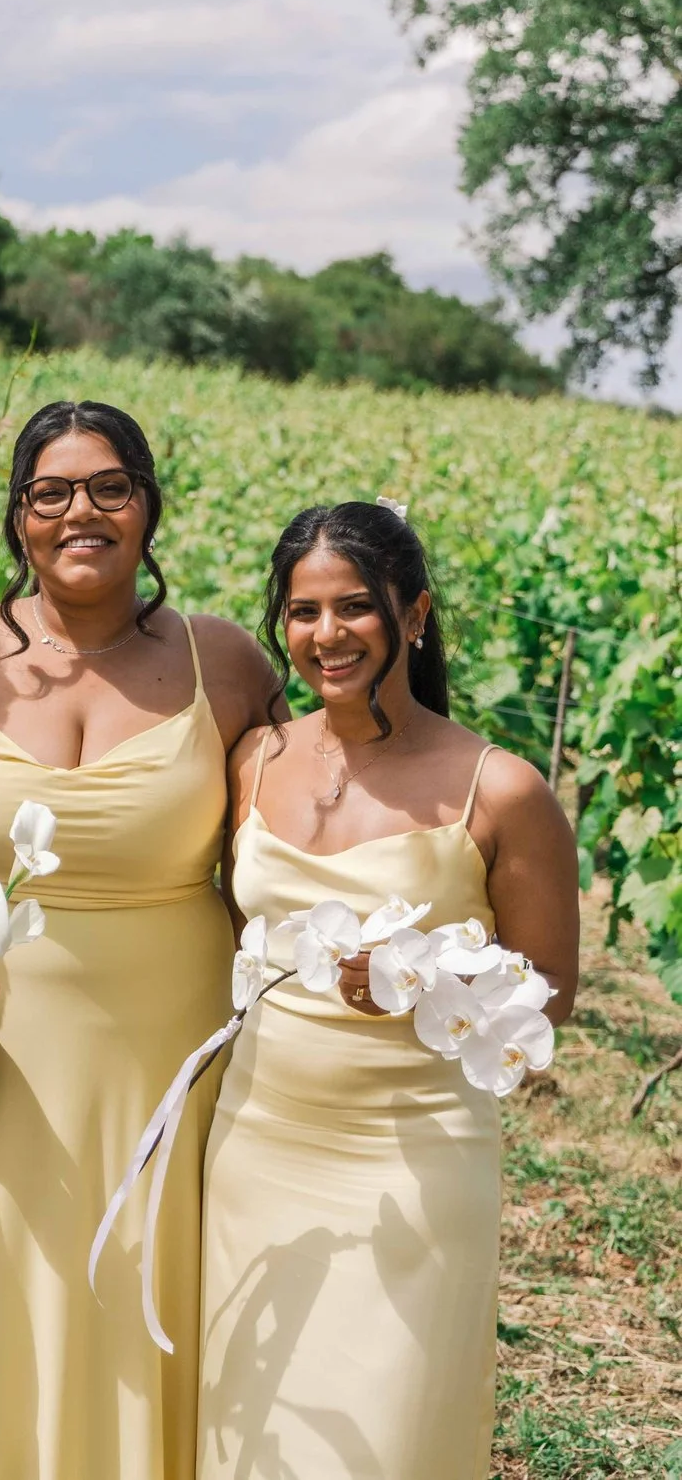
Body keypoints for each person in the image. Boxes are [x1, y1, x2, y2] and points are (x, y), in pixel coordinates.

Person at [0, 401, 283, 1480]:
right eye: (50, 491)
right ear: (16, 516)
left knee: (142, 1297)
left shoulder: (229, 664)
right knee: (4, 1300)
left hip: (170, 1056)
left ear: (149, 505)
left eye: (110, 486)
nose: (81, 512)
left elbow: (288, 855)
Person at [198, 501, 578, 1479]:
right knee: (256, 1429)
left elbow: (551, 997)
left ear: (413, 614)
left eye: (354, 607)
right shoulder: (253, 761)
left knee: (385, 1435)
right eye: (301, 610)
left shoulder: (498, 790)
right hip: (259, 1142)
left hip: (413, 1158)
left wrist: (428, 977)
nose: (326, 634)